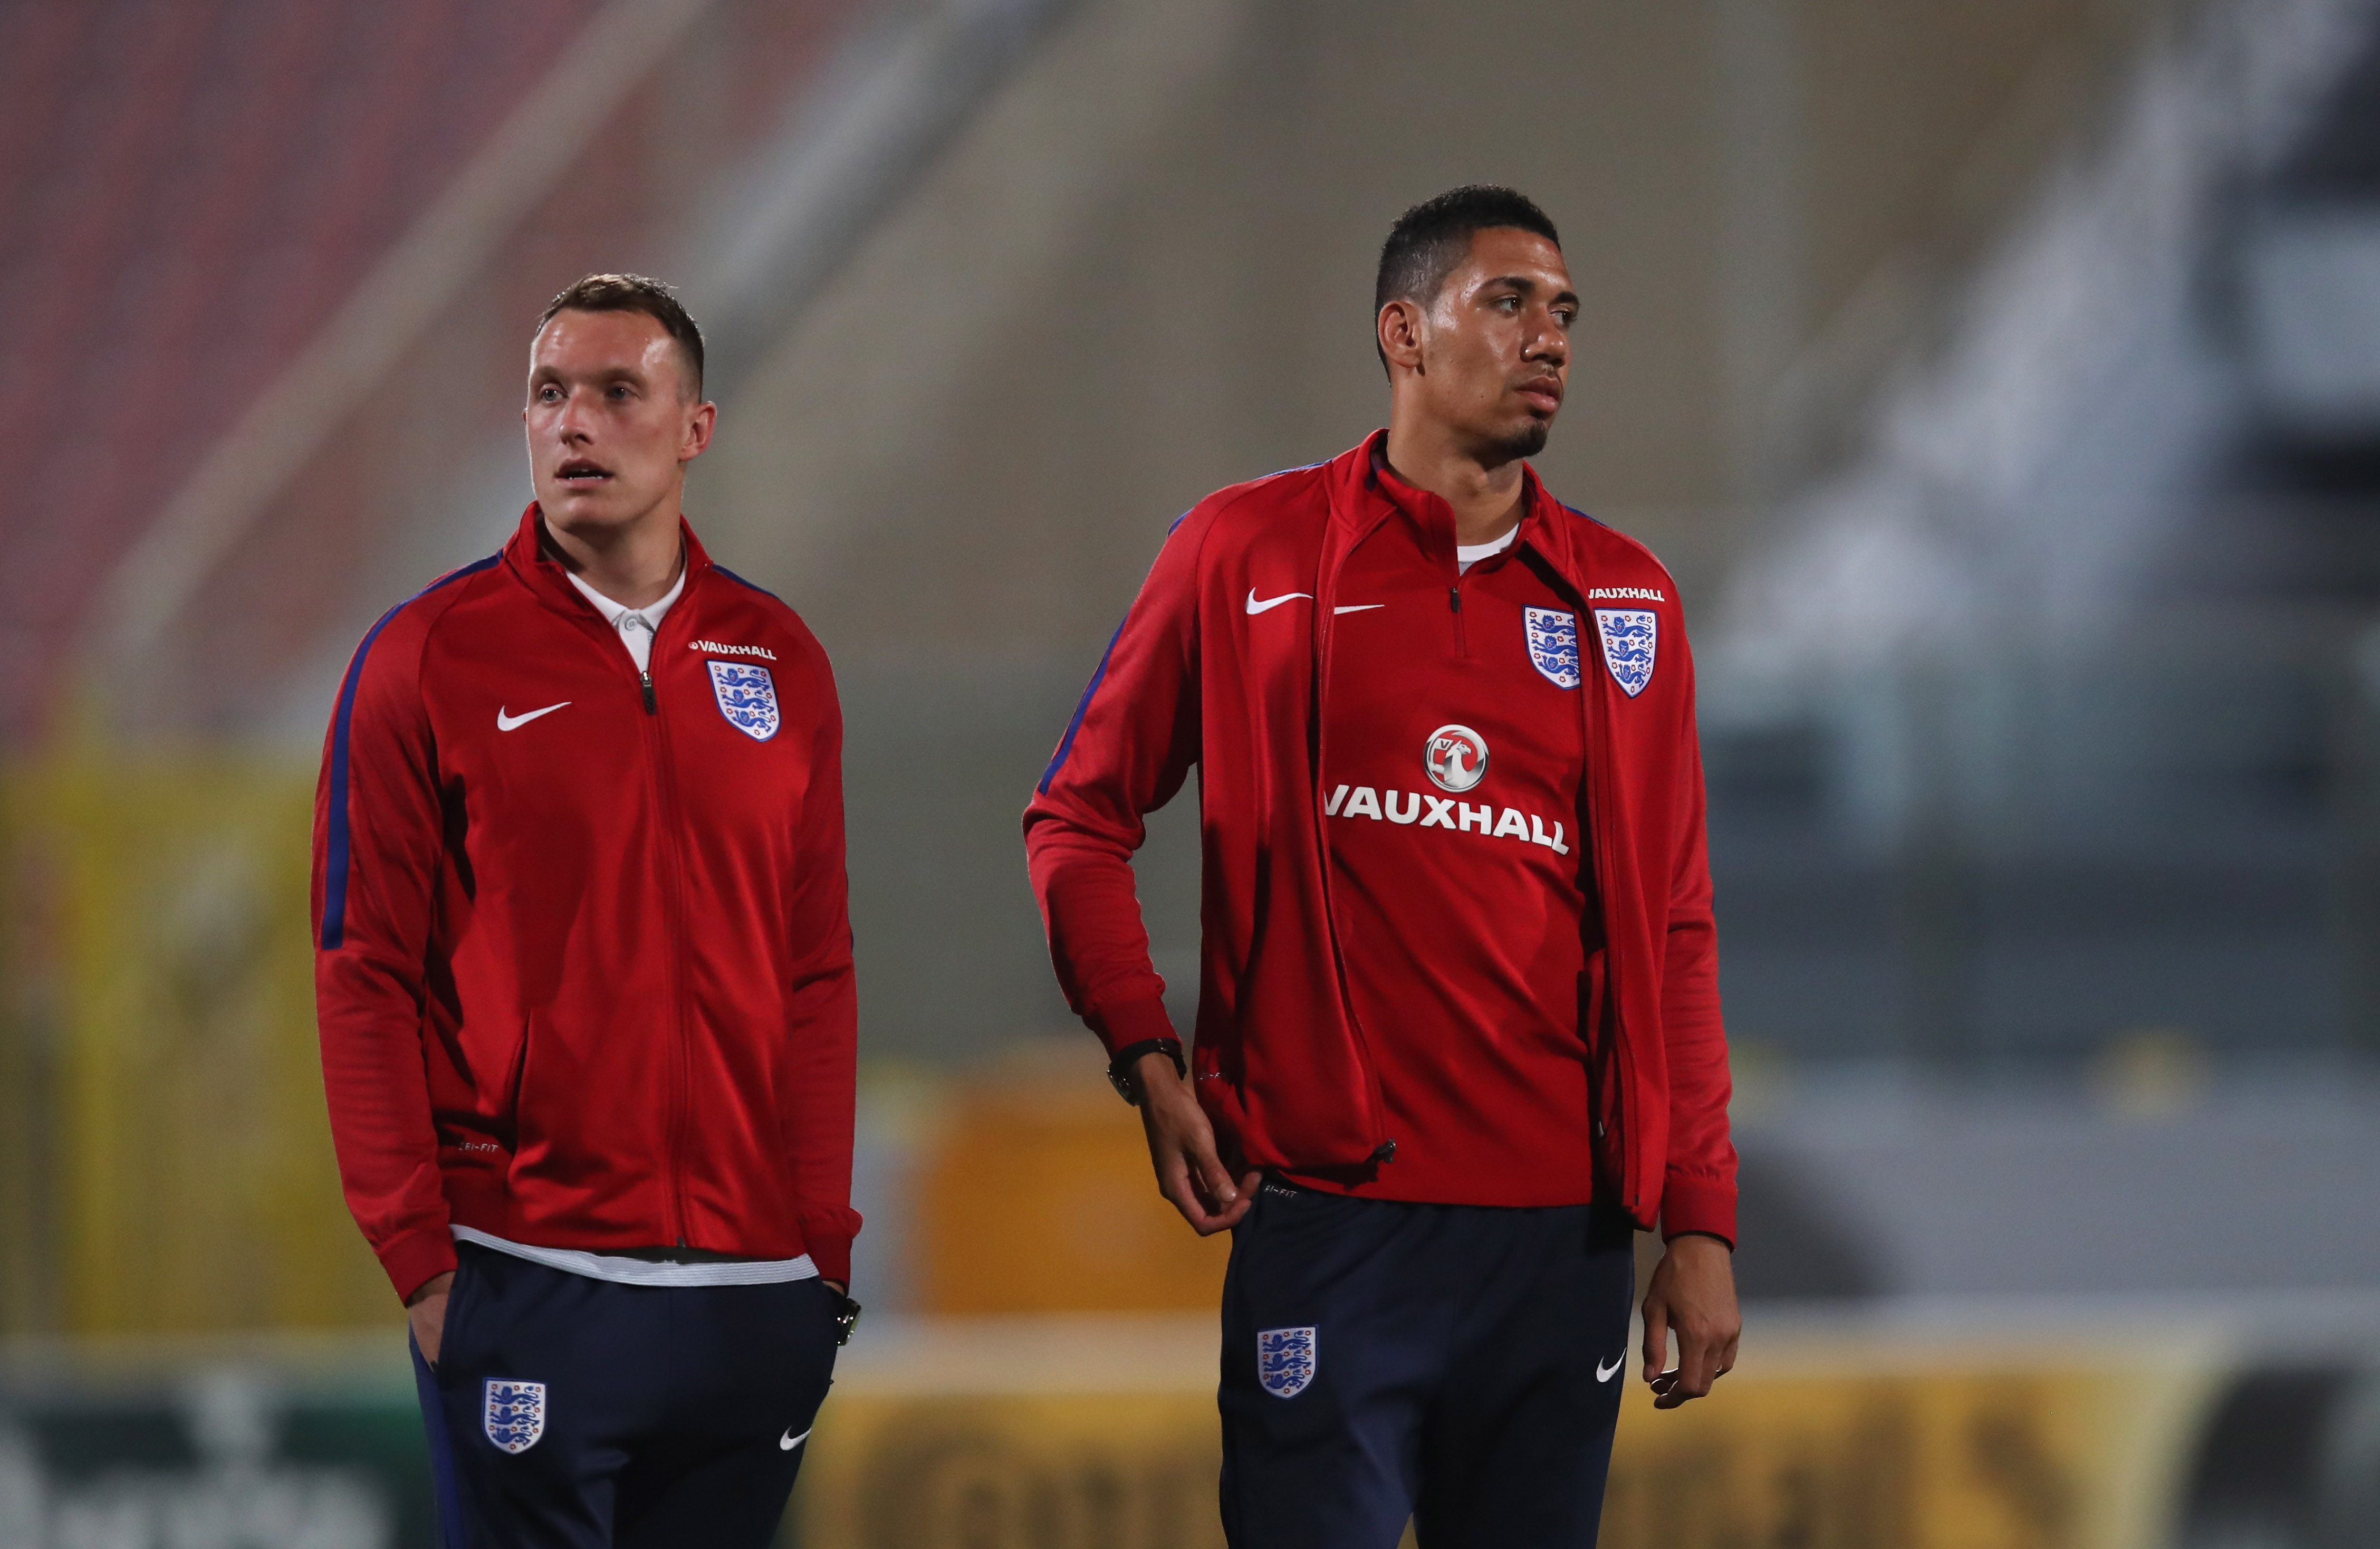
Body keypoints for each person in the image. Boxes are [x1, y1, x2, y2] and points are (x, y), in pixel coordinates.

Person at [1023, 187, 1740, 1547]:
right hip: (1331, 1219)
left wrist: (1699, 1217)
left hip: (1561, 1237)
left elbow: (1675, 927)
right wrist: (1145, 1055)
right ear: (1403, 334)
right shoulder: (1244, 551)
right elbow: (1076, 820)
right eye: (1510, 302)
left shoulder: (1628, 601)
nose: (1551, 338)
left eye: (1567, 312)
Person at [312, 273, 859, 1548]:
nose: (575, 425)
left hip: (752, 1290)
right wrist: (423, 1259)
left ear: (694, 428)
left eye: (619, 394)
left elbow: (816, 973)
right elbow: (363, 971)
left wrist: (818, 1253)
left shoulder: (780, 661)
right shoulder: (425, 658)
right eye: (550, 394)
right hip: (527, 1274)